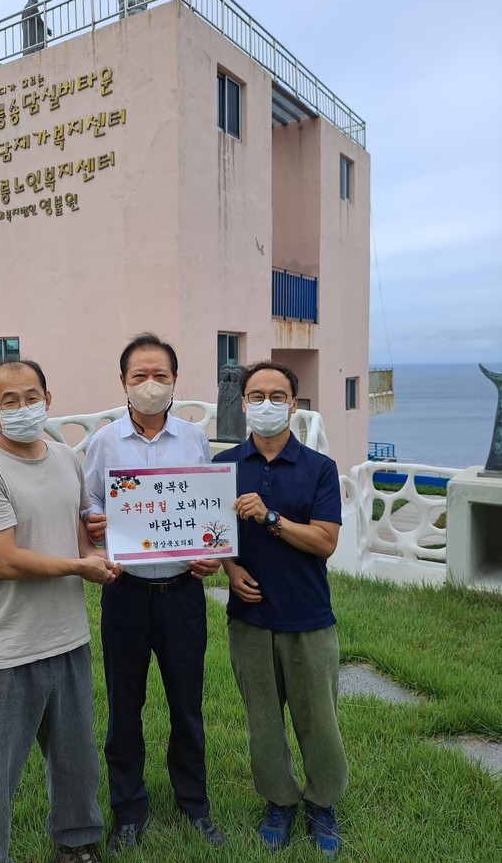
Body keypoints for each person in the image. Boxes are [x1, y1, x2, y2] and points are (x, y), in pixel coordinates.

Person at [0, 359, 120, 863]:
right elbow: (4, 562)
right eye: (10, 401)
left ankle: (77, 843)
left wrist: (97, 557)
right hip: (6, 649)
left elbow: (77, 535)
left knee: (76, 761)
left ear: (47, 399)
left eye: (32, 397)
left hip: (69, 638)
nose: (23, 408)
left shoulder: (67, 458)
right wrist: (78, 567)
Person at [82, 333, 225, 853]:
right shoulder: (103, 442)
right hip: (126, 593)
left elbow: (207, 506)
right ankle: (128, 809)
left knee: (187, 704)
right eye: (139, 375)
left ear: (174, 381)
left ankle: (194, 803)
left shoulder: (194, 438)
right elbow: (90, 501)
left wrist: (212, 552)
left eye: (159, 375)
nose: (150, 384)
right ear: (122, 382)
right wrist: (95, 521)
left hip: (183, 592)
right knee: (125, 706)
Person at [213, 361, 348, 859]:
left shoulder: (319, 468)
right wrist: (230, 570)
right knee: (263, 721)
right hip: (249, 618)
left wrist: (270, 517)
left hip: (307, 615)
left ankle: (323, 803)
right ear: (243, 403)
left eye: (276, 396)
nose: (265, 404)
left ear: (293, 405)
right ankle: (279, 801)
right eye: (256, 396)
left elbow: (325, 541)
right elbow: (211, 532)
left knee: (319, 720)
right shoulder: (223, 465)